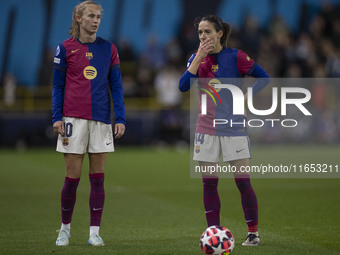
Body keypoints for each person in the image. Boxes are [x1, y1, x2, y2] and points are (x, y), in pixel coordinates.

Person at [179, 15, 270, 246]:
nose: (203, 36)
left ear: (219, 33)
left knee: (242, 181)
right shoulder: (196, 59)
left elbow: (264, 77)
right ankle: (214, 234)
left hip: (234, 128)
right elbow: (182, 86)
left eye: (207, 32)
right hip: (205, 129)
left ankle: (253, 233)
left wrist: (246, 97)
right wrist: (198, 57)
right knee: (209, 184)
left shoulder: (236, 57)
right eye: (200, 32)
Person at [52, 0, 125, 247]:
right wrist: (56, 117)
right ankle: (65, 230)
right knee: (72, 178)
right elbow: (58, 86)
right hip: (72, 118)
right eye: (91, 16)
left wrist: (121, 118)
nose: (95, 21)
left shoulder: (109, 49)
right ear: (79, 19)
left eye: (98, 17)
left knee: (98, 178)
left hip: (102, 120)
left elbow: (116, 85)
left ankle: (94, 232)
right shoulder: (65, 48)